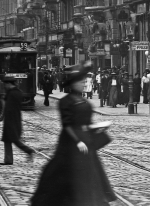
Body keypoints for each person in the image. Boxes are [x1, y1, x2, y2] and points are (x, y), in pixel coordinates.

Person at [31, 64, 117, 205]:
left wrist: (98, 126)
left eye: (84, 81)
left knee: (90, 176)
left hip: (86, 142)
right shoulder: (66, 101)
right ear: (73, 83)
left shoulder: (83, 100)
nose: (84, 84)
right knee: (64, 175)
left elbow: (86, 123)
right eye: (81, 81)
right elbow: (67, 125)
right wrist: (78, 141)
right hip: (70, 143)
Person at [0, 76, 35, 165]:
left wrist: (3, 115)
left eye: (6, 84)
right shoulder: (17, 92)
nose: (5, 86)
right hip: (15, 118)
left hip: (11, 119)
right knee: (7, 140)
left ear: (9, 84)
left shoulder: (11, 94)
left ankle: (29, 151)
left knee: (15, 139)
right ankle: (8, 160)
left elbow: (9, 108)